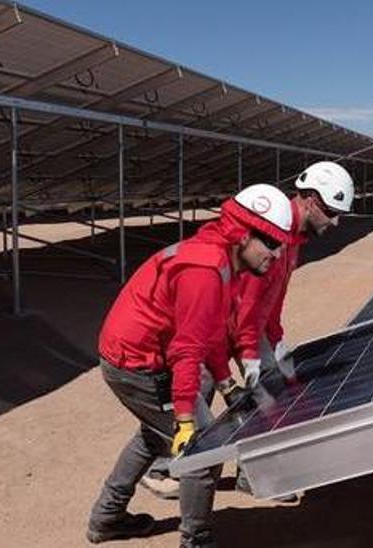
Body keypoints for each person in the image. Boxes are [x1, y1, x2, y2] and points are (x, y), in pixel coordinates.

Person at [87, 184, 295, 548]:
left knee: (154, 435)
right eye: (271, 244)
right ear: (244, 234)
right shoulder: (206, 270)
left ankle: (107, 517)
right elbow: (187, 350)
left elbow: (210, 332)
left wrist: (225, 382)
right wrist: (185, 420)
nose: (277, 254)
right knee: (204, 452)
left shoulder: (223, 260)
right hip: (136, 364)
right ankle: (195, 540)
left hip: (139, 355)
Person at [231, 161, 355, 497]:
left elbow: (274, 295)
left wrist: (277, 337)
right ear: (311, 202)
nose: (335, 221)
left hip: (250, 326)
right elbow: (247, 299)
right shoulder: (272, 229)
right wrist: (249, 354)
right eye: (331, 212)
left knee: (273, 391)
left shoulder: (294, 238)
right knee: (195, 400)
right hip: (216, 323)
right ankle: (158, 469)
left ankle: (251, 474)